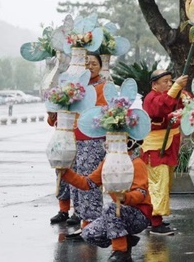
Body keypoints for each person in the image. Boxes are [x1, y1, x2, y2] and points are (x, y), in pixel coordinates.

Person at [60, 139, 152, 262]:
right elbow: (87, 183)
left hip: (139, 215)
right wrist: (65, 173)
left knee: (110, 208)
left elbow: (141, 192)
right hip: (117, 214)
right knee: (88, 233)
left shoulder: (136, 163)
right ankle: (125, 239)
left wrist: (125, 197)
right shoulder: (107, 164)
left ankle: (120, 251)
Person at [64, 52, 109, 238]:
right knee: (76, 182)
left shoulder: (104, 87)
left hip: (93, 139)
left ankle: (92, 224)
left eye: (94, 63)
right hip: (74, 139)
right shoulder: (75, 87)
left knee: (89, 180)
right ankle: (84, 221)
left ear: (100, 66)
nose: (90, 66)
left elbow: (104, 113)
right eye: (86, 63)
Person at [140, 70, 188, 235]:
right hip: (155, 148)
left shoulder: (170, 96)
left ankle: (155, 218)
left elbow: (180, 105)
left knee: (164, 183)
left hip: (168, 146)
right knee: (157, 183)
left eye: (170, 81)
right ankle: (155, 222)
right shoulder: (150, 98)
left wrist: (181, 91)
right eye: (165, 81)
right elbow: (160, 108)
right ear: (154, 84)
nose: (169, 84)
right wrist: (175, 88)